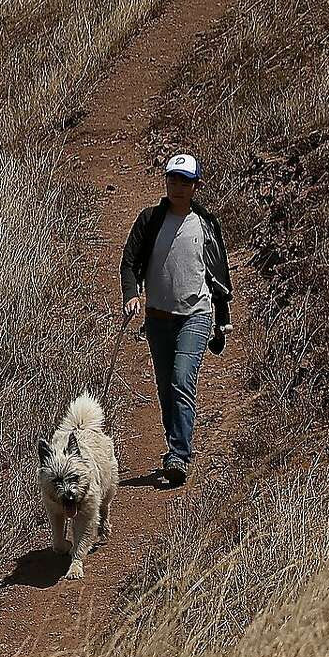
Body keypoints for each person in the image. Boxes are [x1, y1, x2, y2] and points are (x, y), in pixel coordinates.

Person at [120, 152, 232, 485]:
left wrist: (222, 318)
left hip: (196, 315)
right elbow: (129, 262)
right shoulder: (150, 219)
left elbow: (218, 272)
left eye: (184, 181)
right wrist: (131, 295)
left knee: (182, 379)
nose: (177, 187)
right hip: (157, 318)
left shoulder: (206, 223)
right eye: (172, 180)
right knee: (166, 386)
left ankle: (180, 455)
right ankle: (174, 448)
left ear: (196, 185)